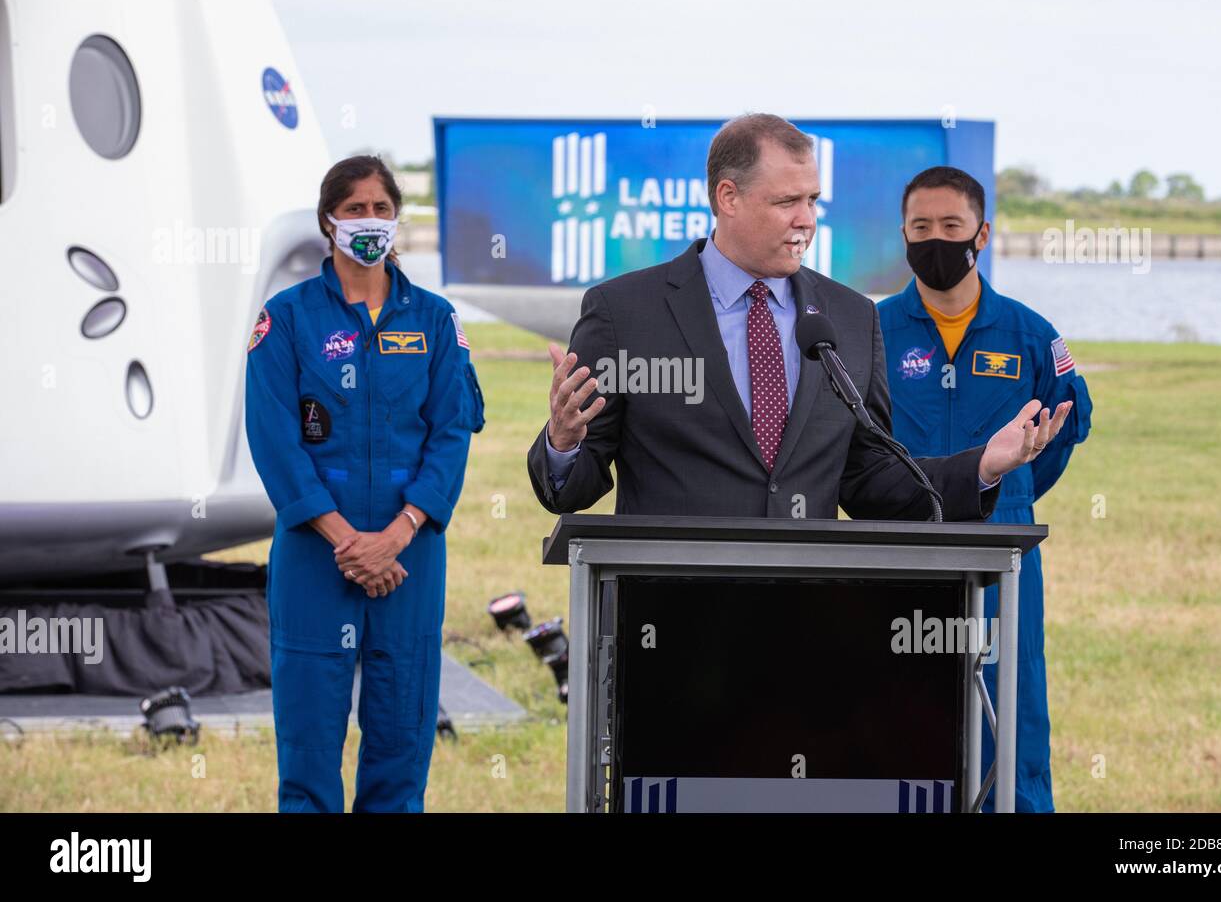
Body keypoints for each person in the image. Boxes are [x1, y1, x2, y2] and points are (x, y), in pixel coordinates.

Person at [527, 113, 1073, 529]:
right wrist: (563, 442)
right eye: (788, 201)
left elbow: (866, 480)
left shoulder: (851, 318)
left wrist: (982, 467)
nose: (806, 220)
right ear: (728, 198)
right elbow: (569, 490)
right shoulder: (624, 312)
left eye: (813, 200)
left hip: (807, 619)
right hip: (664, 618)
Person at [244, 155, 485, 812]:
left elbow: (451, 433)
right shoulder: (286, 318)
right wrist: (349, 541)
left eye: (381, 208)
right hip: (316, 556)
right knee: (310, 749)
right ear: (329, 221)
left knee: (400, 745)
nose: (369, 221)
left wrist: (399, 533)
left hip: (410, 556)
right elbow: (275, 442)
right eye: (355, 209)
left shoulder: (434, 321)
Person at [878, 165, 1093, 812]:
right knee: (894, 700)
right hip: (899, 549)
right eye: (921, 227)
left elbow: (1063, 431)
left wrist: (1012, 492)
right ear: (903, 235)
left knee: (1011, 704)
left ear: (983, 233)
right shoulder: (872, 331)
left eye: (951, 225)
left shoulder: (1029, 334)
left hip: (1004, 558)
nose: (936, 239)